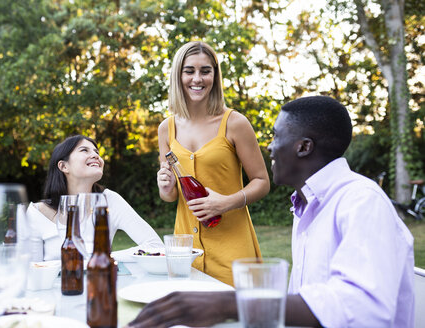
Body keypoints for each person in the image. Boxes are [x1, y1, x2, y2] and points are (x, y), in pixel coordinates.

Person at [127, 96, 415, 328]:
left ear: (304, 147)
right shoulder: (309, 206)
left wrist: (229, 303)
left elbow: (363, 309)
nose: (270, 147)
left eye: (276, 136)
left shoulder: (360, 201)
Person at [156, 41, 270, 286]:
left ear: (215, 76)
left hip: (233, 248)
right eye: (189, 71)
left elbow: (262, 182)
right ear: (178, 75)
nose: (197, 78)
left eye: (205, 71)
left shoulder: (235, 123)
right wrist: (165, 187)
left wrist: (227, 202)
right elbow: (171, 196)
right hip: (185, 251)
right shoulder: (166, 128)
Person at [26, 135, 164, 262]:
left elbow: (156, 246)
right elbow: (32, 269)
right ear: (63, 166)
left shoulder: (110, 201)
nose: (95, 155)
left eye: (96, 152)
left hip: (99, 285)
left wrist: (102, 258)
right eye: (84, 150)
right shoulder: (37, 213)